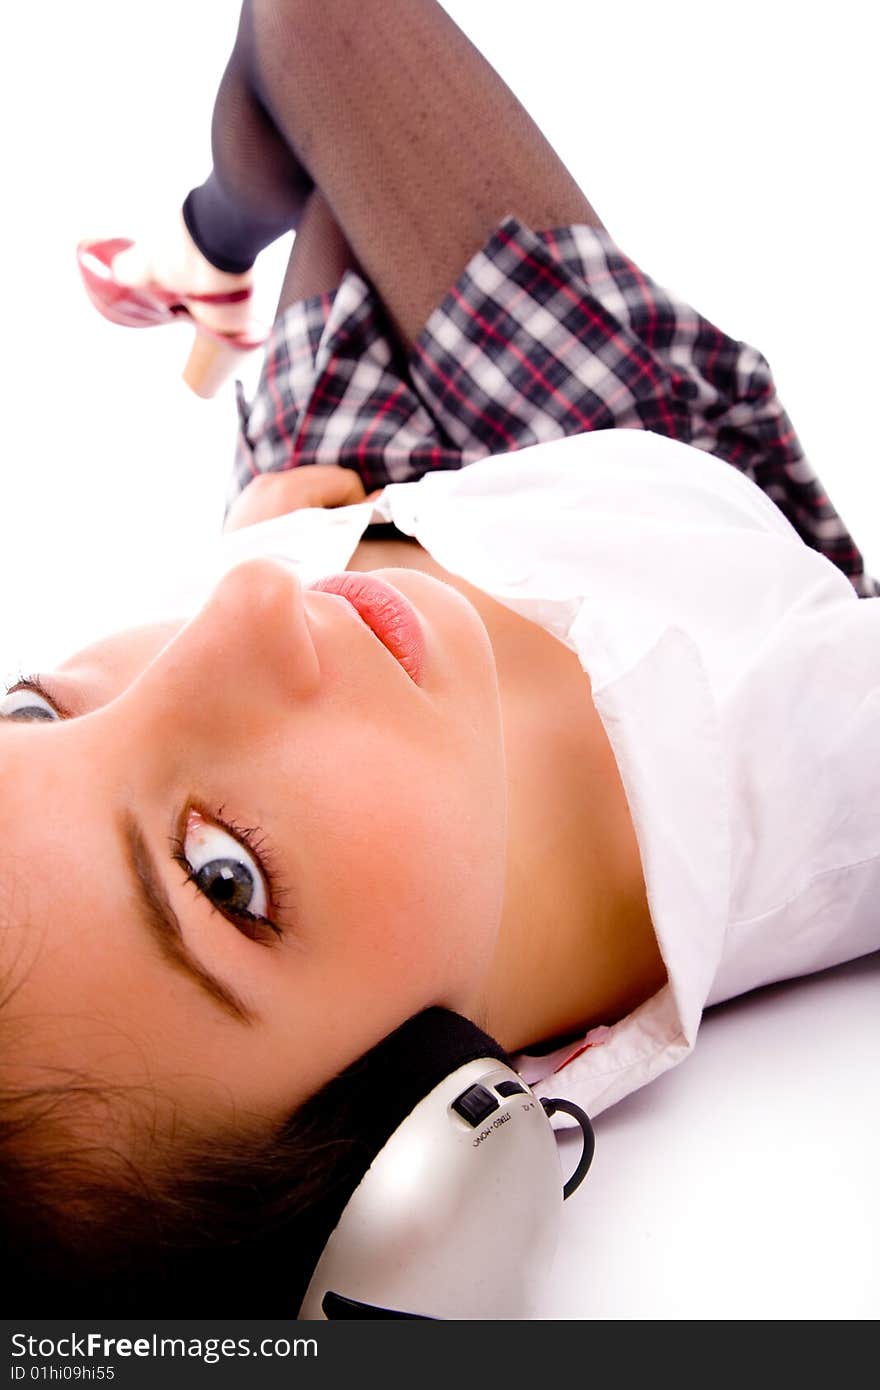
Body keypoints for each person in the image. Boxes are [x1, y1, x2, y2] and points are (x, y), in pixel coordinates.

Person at [4, 0, 879, 1316]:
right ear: (415, 1159)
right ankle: (220, 249)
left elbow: (245, 594)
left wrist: (272, 534)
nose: (234, 615)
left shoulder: (273, 597)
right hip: (644, 450)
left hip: (393, 491)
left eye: (37, 713)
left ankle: (209, 245)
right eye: (222, 871)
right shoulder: (828, 764)